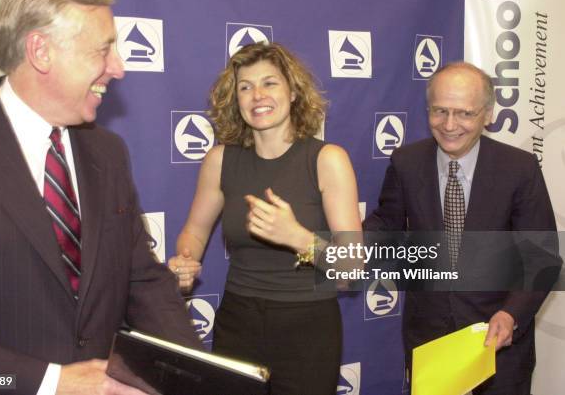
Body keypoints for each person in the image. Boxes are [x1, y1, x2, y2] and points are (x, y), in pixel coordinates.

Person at [0, 0, 200, 394]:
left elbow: (144, 282)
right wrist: (50, 383)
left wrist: (199, 378)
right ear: (41, 51)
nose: (118, 68)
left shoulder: (109, 153)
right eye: (103, 50)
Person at [168, 42, 362, 395]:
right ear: (235, 99)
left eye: (269, 83)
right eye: (245, 86)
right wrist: (185, 261)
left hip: (308, 329)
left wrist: (297, 237)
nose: (257, 94)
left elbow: (352, 266)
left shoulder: (327, 159)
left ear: (293, 92)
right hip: (237, 321)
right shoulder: (219, 161)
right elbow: (193, 234)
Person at [363, 62, 559, 394]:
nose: (450, 125)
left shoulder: (520, 168)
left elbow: (541, 256)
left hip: (500, 343)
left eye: (464, 113)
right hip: (429, 338)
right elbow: (387, 224)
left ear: (488, 114)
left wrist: (511, 314)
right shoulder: (406, 162)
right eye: (440, 111)